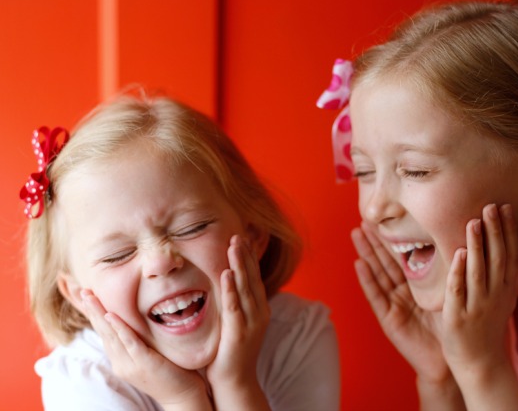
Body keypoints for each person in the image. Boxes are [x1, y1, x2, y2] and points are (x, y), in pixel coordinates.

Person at [329, 0, 518, 410]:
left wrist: (482, 369)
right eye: (364, 171)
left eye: (415, 170)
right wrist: (441, 376)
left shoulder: (483, 347)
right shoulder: (480, 319)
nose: (375, 210)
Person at [22, 93, 340, 410]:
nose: (160, 262)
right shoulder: (83, 380)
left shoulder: (297, 335)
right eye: (117, 254)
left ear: (254, 235)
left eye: (192, 227)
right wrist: (183, 400)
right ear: (78, 294)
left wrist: (236, 382)